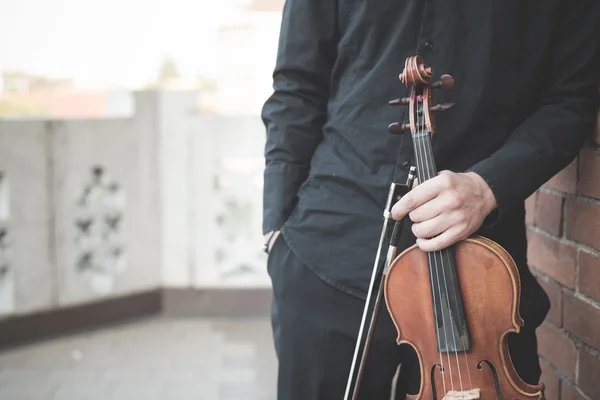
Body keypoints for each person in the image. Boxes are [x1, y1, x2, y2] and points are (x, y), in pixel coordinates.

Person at [261, 0, 600, 399]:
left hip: (483, 276)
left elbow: (571, 100)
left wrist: (488, 185)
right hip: (327, 250)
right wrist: (275, 225)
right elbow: (297, 87)